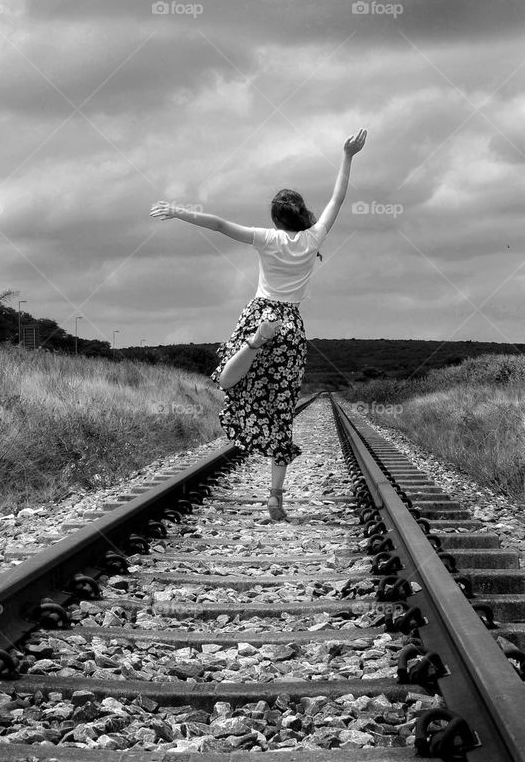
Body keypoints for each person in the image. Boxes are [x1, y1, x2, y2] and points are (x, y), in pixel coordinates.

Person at [151, 129, 367, 521]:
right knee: (281, 407)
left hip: (261, 313)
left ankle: (251, 345)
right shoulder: (314, 238)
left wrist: (179, 211)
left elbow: (218, 224)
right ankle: (275, 496)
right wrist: (347, 155)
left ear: (275, 218)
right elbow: (338, 198)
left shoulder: (266, 238)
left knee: (228, 380)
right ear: (302, 214)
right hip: (290, 326)